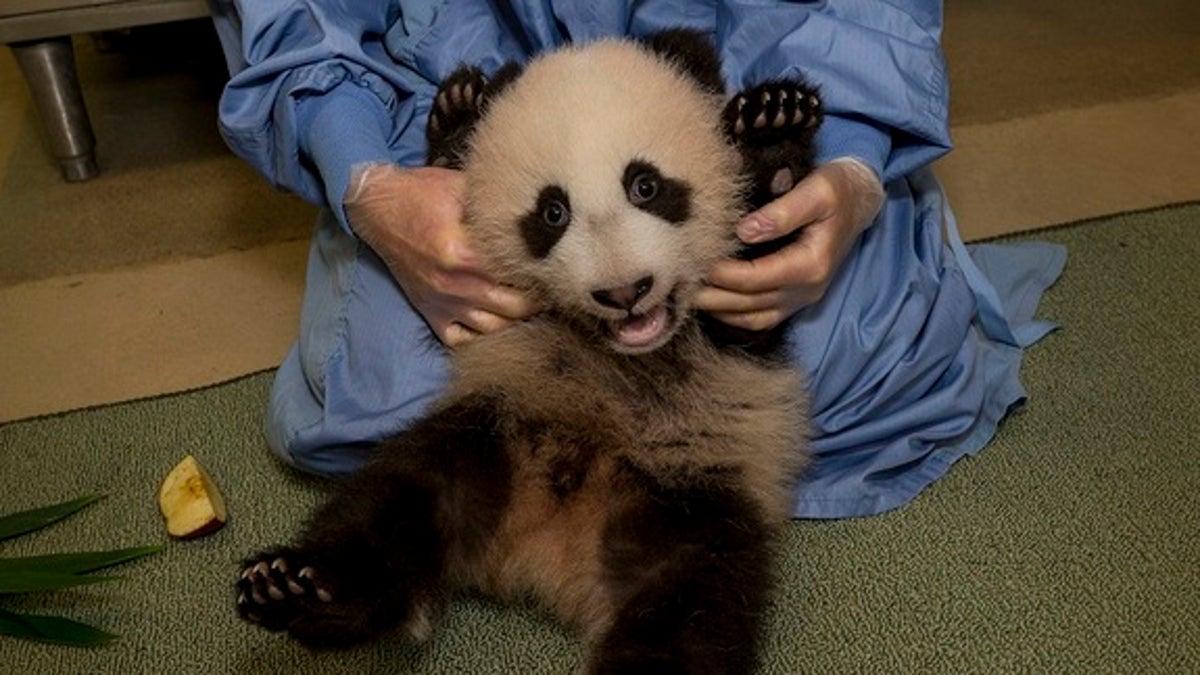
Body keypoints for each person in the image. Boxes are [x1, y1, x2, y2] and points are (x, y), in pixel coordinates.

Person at [210, 1, 1065, 519]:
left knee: (855, 345)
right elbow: (302, 25)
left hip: (742, 93)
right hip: (460, 108)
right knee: (386, 393)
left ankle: (775, 163)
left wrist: (850, 162)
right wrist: (374, 186)